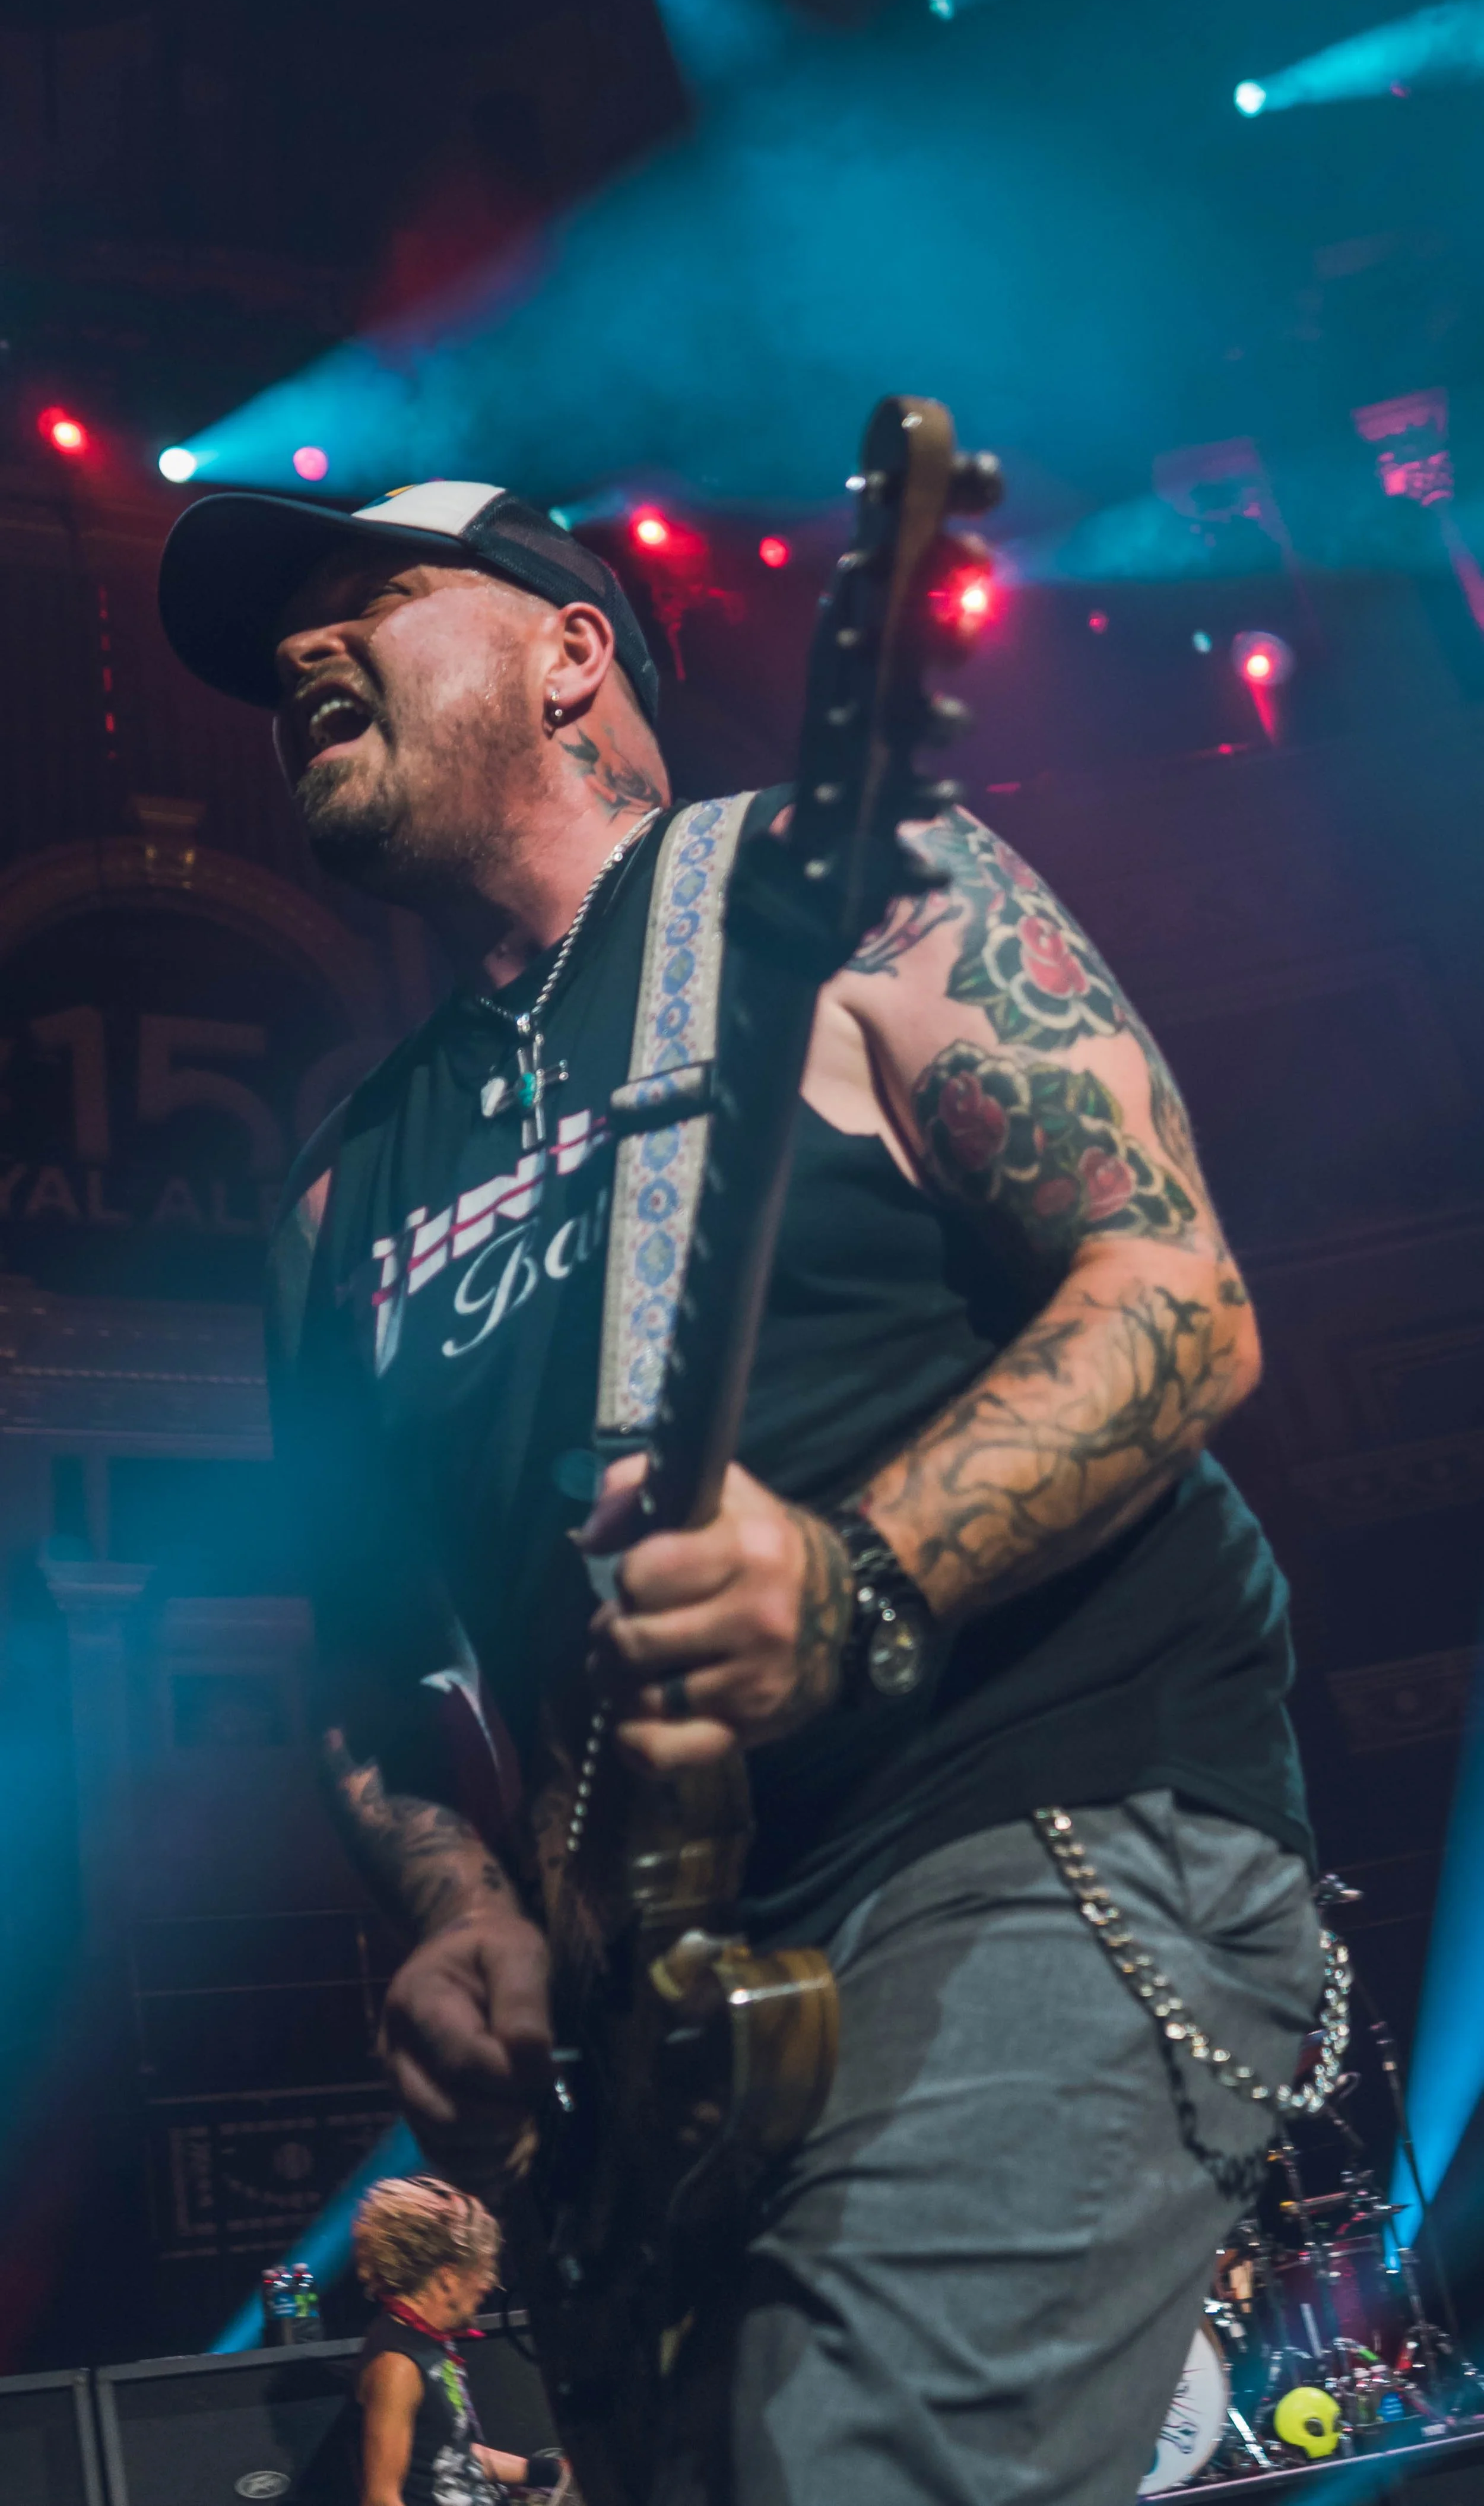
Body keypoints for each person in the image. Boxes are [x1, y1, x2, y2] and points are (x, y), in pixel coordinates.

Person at [158, 477, 1323, 2505]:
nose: (296, 657)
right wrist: (456, 1907)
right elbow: (362, 1674)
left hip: (1029, 1813)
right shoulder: (343, 1184)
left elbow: (1177, 1294)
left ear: (568, 646)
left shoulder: (838, 883)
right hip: (668, 2011)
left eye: (368, 602)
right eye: (283, 644)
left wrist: (858, 1565)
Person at [353, 2173, 564, 2506]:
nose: (490, 2284)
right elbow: (381, 2499)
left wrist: (551, 2473)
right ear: (448, 2278)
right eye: (483, 2270)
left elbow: (453, 2454)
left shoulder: (428, 2344)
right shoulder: (397, 2364)